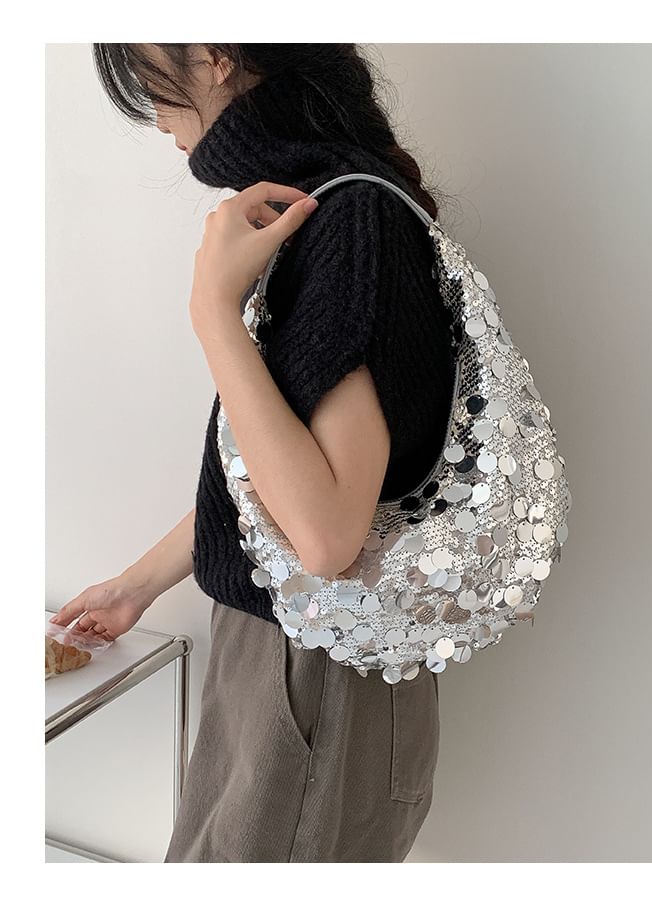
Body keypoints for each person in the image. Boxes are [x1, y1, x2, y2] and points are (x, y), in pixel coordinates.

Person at [50, 44, 456, 863]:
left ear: (212, 56)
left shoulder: (347, 221)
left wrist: (212, 310)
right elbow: (272, 480)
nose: (151, 112)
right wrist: (135, 585)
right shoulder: (329, 206)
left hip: (308, 669)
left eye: (145, 75)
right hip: (299, 662)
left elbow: (324, 536)